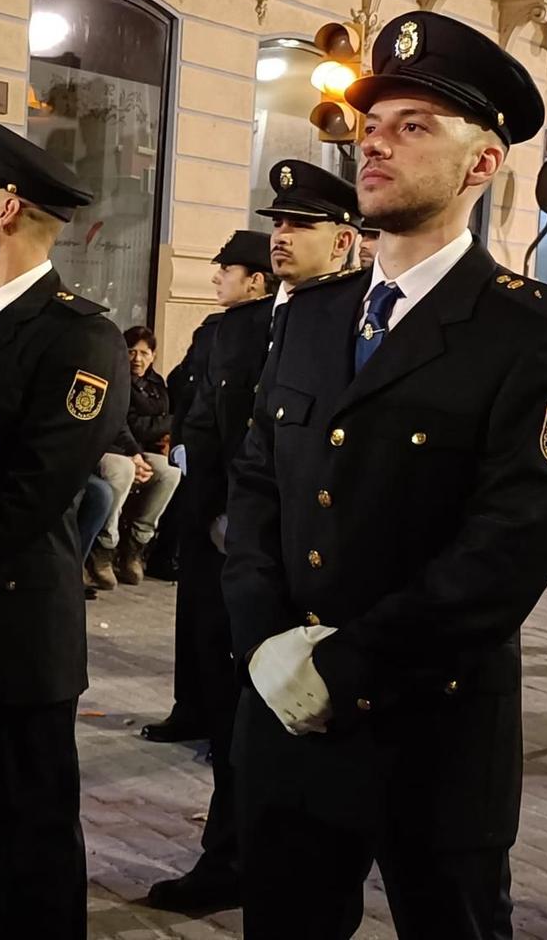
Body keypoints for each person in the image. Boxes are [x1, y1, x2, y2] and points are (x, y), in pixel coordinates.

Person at [221, 10, 547, 939]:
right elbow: (257, 489)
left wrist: (344, 668)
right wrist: (268, 645)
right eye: (371, 126)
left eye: (413, 126)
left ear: (482, 165)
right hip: (285, 711)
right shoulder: (314, 316)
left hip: (433, 730)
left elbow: (508, 550)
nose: (376, 146)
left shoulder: (539, 335)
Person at [0, 114, 124, 938]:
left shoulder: (80, 333)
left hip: (13, 630)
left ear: (6, 208)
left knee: (32, 839)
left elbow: (34, 494)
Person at [145, 166, 360, 915]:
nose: (282, 237)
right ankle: (230, 855)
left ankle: (280, 861)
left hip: (303, 559)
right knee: (233, 711)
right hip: (226, 548)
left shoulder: (363, 322)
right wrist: (208, 520)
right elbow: (207, 423)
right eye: (278, 224)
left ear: (345, 239)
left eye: (300, 226)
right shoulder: (234, 328)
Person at [142, 230, 272, 744]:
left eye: (228, 269)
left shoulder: (269, 329)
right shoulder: (213, 329)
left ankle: (224, 719)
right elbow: (183, 388)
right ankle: (190, 705)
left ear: (255, 280)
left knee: (227, 613)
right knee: (193, 605)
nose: (217, 276)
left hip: (231, 491)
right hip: (197, 487)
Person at [97, 325, 179, 585]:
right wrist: (167, 423)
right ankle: (105, 547)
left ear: (153, 355)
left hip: (142, 450)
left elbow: (157, 422)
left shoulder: (157, 384)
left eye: (144, 353)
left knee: (169, 472)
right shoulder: (116, 378)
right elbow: (128, 425)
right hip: (115, 448)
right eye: (131, 351)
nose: (137, 359)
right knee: (123, 470)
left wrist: (161, 432)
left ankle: (136, 543)